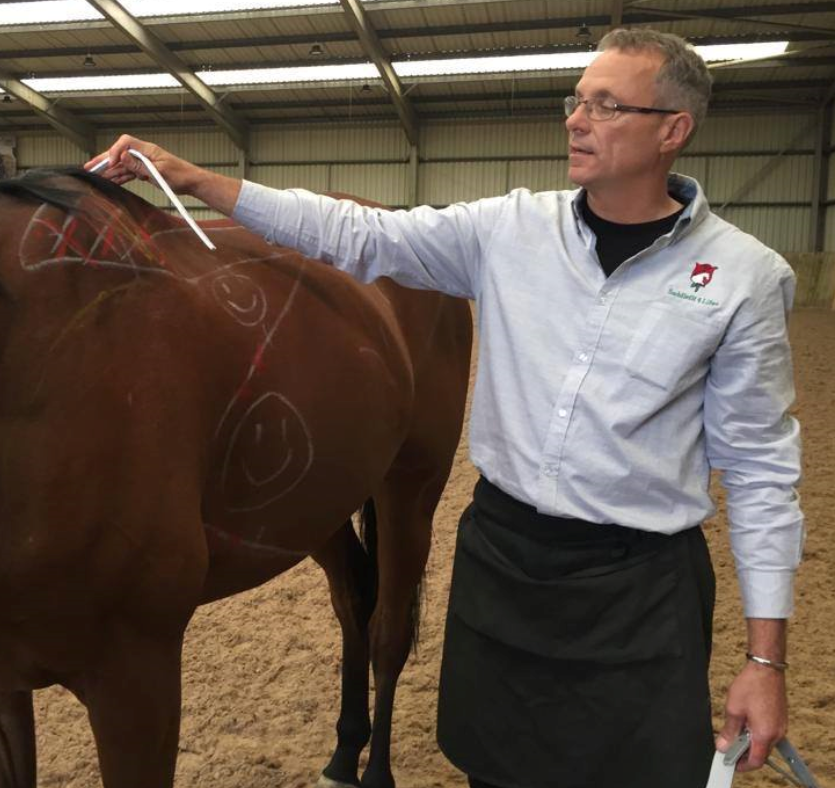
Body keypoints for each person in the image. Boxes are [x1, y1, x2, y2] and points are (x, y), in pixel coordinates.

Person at [87, 27, 803, 788]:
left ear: (673, 130)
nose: (575, 119)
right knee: (492, 770)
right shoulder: (508, 230)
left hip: (639, 586)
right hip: (504, 556)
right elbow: (351, 233)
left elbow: (761, 474)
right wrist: (195, 180)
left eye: (605, 104)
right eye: (575, 100)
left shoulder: (743, 278)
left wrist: (765, 661)